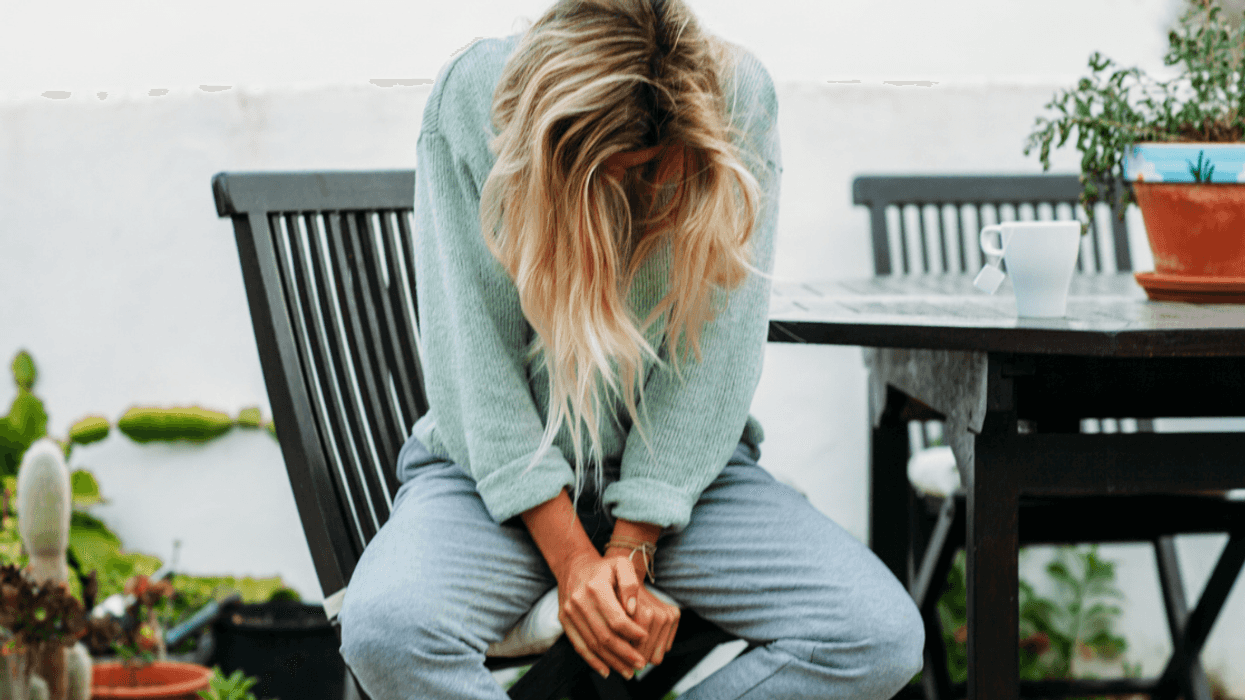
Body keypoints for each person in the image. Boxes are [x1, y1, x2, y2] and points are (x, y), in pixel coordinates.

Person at [338, 1, 924, 698]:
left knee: (873, 638)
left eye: (652, 171)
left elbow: (712, 365)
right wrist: (572, 562)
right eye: (615, 174)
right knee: (387, 632)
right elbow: (474, 365)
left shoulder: (740, 99)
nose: (637, 196)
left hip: (684, 483)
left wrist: (628, 546)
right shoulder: (473, 97)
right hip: (493, 480)